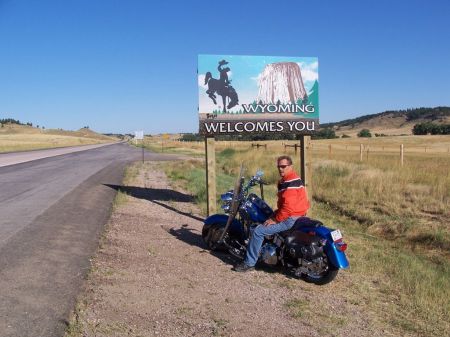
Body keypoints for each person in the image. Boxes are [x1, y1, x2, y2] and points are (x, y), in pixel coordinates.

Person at [234, 155, 310, 272]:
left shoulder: (290, 182)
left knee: (258, 231)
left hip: (291, 217)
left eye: (283, 166)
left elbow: (288, 208)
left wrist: (275, 219)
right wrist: (275, 214)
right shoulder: (293, 179)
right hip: (298, 214)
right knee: (267, 217)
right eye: (279, 167)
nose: (280, 169)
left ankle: (249, 263)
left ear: (291, 166)